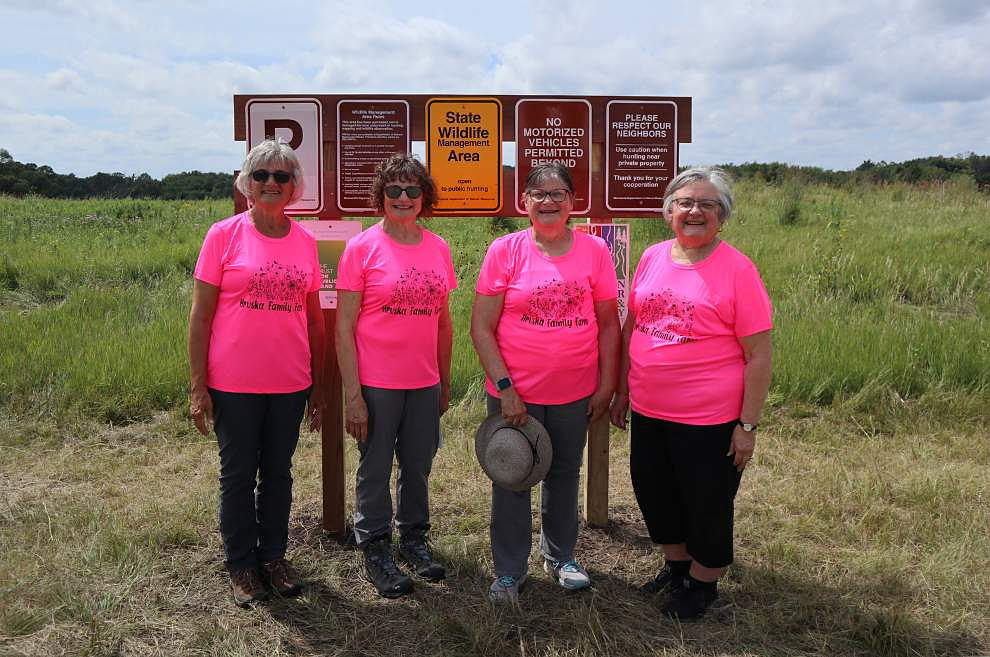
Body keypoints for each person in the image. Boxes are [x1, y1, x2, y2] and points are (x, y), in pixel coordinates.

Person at [609, 166, 773, 621]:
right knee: (655, 492)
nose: (695, 211)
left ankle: (702, 584)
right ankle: (677, 567)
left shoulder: (738, 269)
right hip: (650, 407)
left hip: (709, 418)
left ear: (723, 216)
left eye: (707, 204)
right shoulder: (653, 256)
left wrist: (747, 425)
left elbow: (759, 354)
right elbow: (632, 327)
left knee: (706, 503)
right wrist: (622, 390)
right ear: (669, 213)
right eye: (685, 203)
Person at [471, 162, 620, 603]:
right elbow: (481, 327)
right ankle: (509, 571)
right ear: (525, 203)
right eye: (539, 194)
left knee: (564, 473)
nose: (549, 202)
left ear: (572, 202)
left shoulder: (595, 251)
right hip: (515, 393)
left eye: (558, 194)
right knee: (512, 477)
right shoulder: (505, 250)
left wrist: (607, 384)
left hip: (575, 391)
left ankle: (560, 556)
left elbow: (608, 324)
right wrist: (506, 389)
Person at [188, 138, 324, 607]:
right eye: (261, 175)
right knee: (239, 475)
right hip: (234, 383)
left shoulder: (305, 242)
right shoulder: (223, 235)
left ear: (294, 186)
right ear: (247, 183)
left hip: (290, 381)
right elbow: (200, 318)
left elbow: (314, 320)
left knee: (279, 474)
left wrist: (319, 384)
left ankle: (274, 558)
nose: (271, 183)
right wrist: (198, 386)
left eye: (281, 176)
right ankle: (242, 564)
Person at [336, 154, 456, 598]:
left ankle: (414, 539)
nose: (403, 198)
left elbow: (443, 322)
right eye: (393, 190)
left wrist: (443, 380)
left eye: (412, 190)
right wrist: (353, 395)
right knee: (375, 467)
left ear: (424, 196)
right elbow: (344, 327)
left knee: (418, 464)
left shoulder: (438, 248)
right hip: (377, 383)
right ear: (380, 196)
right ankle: (375, 548)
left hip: (423, 381)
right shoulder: (362, 248)